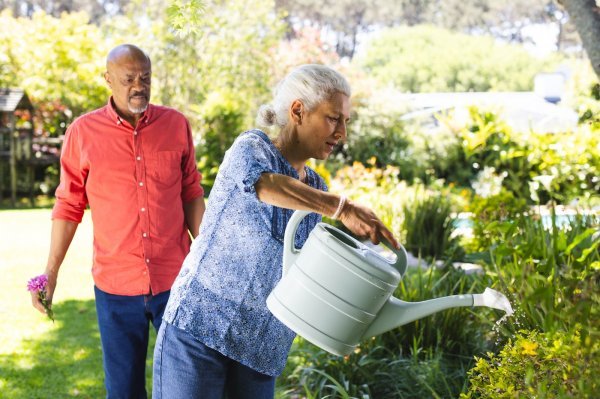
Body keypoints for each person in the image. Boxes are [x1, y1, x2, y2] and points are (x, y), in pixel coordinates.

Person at [152, 64, 399, 399]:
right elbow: (265, 185)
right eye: (332, 118)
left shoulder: (317, 187)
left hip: (261, 351)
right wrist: (342, 207)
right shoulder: (252, 149)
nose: (342, 132)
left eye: (346, 121)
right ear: (298, 110)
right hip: (200, 331)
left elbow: (304, 272)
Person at [30, 44, 206, 399]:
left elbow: (190, 191)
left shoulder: (175, 124)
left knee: (189, 387)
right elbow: (68, 204)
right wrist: (51, 271)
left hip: (177, 280)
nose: (138, 85)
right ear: (108, 80)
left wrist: (207, 258)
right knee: (123, 392)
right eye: (128, 78)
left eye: (145, 77)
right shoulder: (83, 132)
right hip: (115, 287)